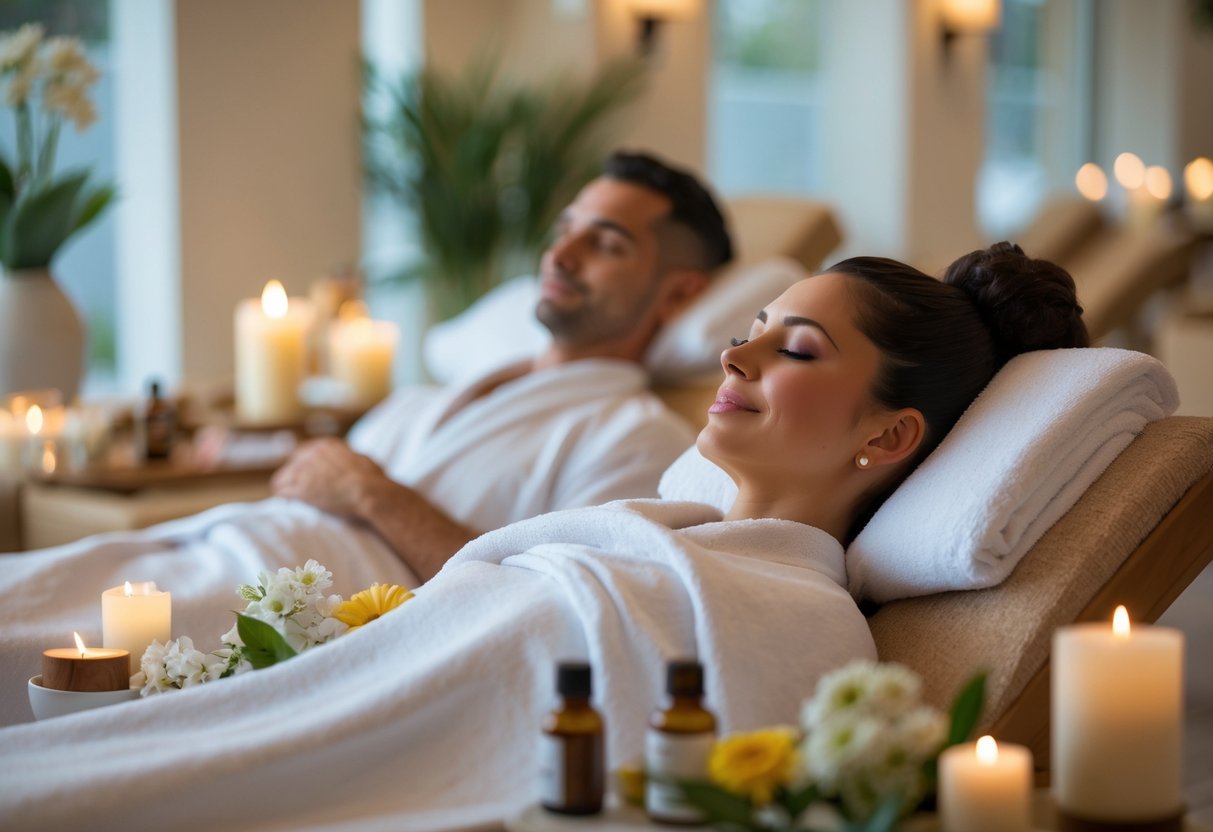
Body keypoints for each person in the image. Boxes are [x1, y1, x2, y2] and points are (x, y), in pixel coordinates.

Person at [0, 242, 1089, 830]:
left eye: (794, 351)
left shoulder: (800, 622)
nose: (735, 359)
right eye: (747, 334)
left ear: (888, 434)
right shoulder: (642, 531)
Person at [269, 149, 735, 583]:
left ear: (678, 293)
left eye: (606, 244)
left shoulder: (636, 440)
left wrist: (369, 494)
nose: (559, 255)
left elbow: (545, 600)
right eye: (565, 230)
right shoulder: (439, 396)